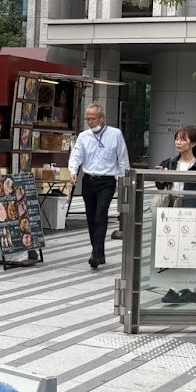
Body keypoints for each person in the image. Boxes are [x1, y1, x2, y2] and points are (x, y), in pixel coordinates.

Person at [68, 103, 129, 270]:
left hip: (107, 181)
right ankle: (98, 253)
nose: (89, 122)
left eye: (93, 118)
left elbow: (122, 158)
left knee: (100, 215)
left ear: (102, 118)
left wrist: (124, 179)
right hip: (89, 180)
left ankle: (96, 254)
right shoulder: (83, 136)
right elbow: (76, 155)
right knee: (91, 217)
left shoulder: (115, 134)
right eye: (87, 118)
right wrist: (73, 171)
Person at [154, 125, 196, 208]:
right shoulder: (169, 163)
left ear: (193, 144)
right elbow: (160, 187)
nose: (178, 142)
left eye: (182, 140)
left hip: (191, 208)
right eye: (176, 139)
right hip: (171, 206)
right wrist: (160, 177)